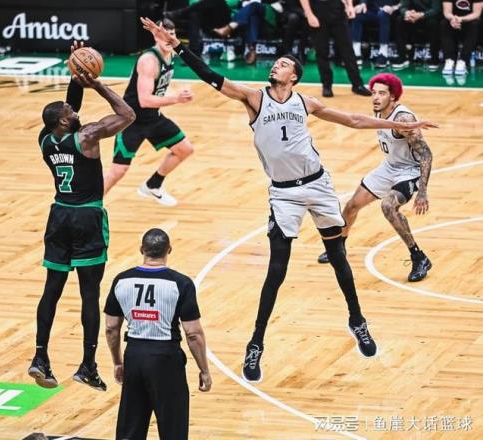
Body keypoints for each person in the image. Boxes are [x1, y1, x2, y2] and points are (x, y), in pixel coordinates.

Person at [140, 18, 437, 382]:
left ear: (294, 76)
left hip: (319, 186)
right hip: (284, 194)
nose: (275, 66)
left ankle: (357, 320)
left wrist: (401, 125)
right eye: (276, 63)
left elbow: (354, 120)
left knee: (339, 258)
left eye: (282, 64)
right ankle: (256, 344)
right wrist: (177, 44)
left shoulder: (305, 102)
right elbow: (211, 76)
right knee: (276, 270)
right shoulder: (253, 98)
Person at [28, 42, 136, 391]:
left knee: (52, 290)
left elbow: (68, 107)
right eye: (69, 111)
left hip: (58, 216)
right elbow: (127, 115)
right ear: (64, 121)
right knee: (90, 294)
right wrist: (97, 85)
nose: (74, 110)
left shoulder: (46, 139)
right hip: (86, 218)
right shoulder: (87, 136)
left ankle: (40, 356)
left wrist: (76, 75)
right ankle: (88, 365)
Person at [317, 74, 433, 284]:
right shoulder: (379, 111)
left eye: (382, 93)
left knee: (388, 206)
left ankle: (419, 257)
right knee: (352, 206)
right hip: (389, 167)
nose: (376, 98)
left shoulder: (403, 119)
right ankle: (338, 249)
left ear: (393, 96)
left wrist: (422, 192)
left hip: (409, 171)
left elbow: (426, 154)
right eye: (373, 93)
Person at [104, 228, 212, 440]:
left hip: (134, 356)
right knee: (173, 429)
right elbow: (193, 333)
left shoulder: (121, 280)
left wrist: (117, 362)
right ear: (168, 250)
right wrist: (204, 370)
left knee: (130, 429)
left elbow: (111, 328)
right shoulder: (180, 283)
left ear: (141, 249)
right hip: (166, 358)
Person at [104, 19, 195, 207]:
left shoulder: (170, 55)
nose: (168, 38)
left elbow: (158, 90)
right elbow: (144, 100)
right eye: (163, 34)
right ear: (155, 36)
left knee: (184, 149)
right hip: (131, 121)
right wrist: (176, 98)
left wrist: (177, 93)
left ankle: (153, 185)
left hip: (153, 117)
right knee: (118, 171)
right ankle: (89, 206)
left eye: (172, 34)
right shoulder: (149, 60)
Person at [299, 0, 373, 97]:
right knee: (322, 51)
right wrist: (309, 14)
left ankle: (357, 85)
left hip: (337, 8)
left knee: (348, 49)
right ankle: (326, 85)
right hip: (317, 9)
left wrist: (350, 5)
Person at [392, 0, 442, 70]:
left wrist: (421, 15)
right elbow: (403, 7)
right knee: (400, 20)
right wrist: (407, 13)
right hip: (412, 17)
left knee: (433, 23)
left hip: (428, 17)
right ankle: (402, 57)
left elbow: (436, 9)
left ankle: (434, 59)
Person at [351, 0, 401, 68]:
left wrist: (394, 7)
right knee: (357, 15)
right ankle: (356, 53)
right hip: (372, 9)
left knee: (384, 15)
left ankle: (383, 53)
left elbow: (403, 3)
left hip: (390, 11)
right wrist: (362, 4)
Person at [441, 0, 483, 75]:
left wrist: (461, 19)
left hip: (469, 21)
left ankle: (463, 61)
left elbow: (477, 14)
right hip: (453, 22)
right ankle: (449, 60)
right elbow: (447, 12)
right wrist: (453, 19)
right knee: (444, 24)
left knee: (475, 24)